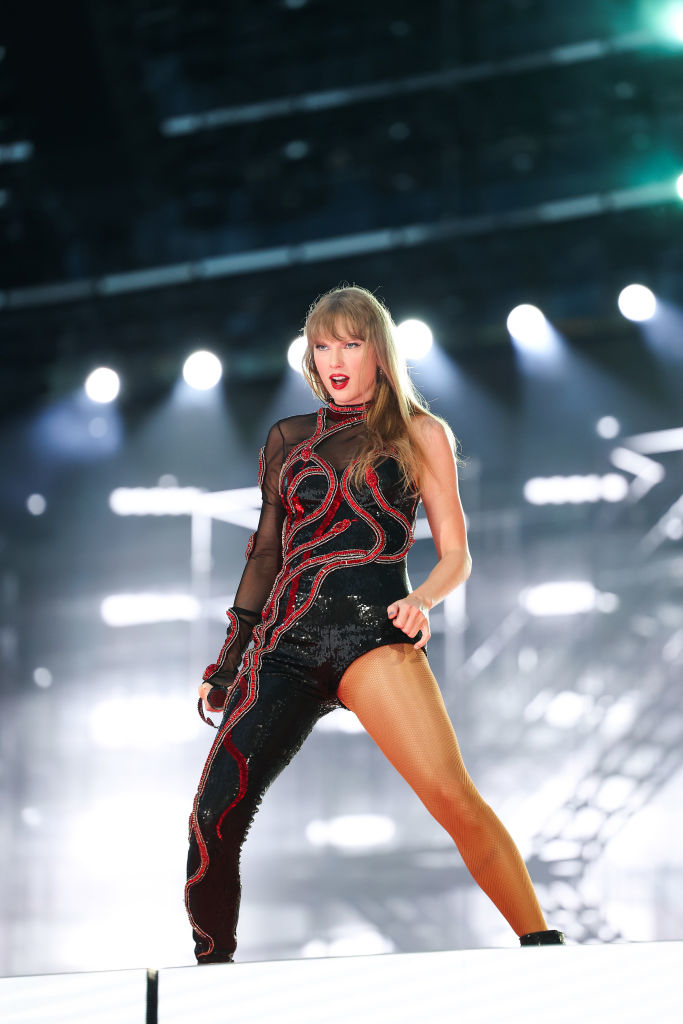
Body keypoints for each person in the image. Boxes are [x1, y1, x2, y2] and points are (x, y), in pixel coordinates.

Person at [185, 284, 564, 963]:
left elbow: (457, 553)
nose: (334, 358)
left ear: (378, 352)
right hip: (283, 645)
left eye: (350, 343)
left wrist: (422, 599)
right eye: (322, 344)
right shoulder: (287, 439)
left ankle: (544, 947)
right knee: (211, 820)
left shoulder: (419, 432)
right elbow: (265, 553)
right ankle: (212, 981)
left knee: (451, 798)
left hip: (370, 635)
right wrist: (227, 661)